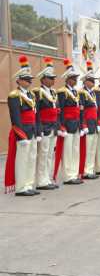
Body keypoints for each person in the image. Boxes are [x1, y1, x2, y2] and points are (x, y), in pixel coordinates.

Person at [5, 55, 40, 195]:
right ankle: (21, 187)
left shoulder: (31, 95)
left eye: (30, 79)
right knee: (22, 160)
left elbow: (35, 115)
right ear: (18, 80)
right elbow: (15, 117)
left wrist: (37, 132)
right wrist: (21, 135)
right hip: (23, 131)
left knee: (31, 158)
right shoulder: (14, 95)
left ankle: (29, 184)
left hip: (32, 129)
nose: (29, 82)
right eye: (26, 80)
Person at [54, 58, 83, 185]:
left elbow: (80, 109)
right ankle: (68, 176)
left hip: (76, 123)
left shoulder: (76, 92)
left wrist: (81, 124)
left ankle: (74, 173)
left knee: (75, 150)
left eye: (76, 78)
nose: (75, 80)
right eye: (73, 78)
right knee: (67, 151)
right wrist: (61, 126)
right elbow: (60, 110)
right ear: (67, 79)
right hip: (67, 124)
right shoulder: (62, 92)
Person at [34, 57, 59, 190]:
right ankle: (40, 181)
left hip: (53, 127)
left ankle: (47, 178)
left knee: (50, 154)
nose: (53, 80)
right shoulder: (38, 92)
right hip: (44, 127)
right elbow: (37, 113)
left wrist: (58, 127)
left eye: (53, 78)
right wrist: (39, 129)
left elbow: (57, 111)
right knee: (42, 154)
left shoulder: (54, 92)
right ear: (43, 79)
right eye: (50, 78)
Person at [78, 60, 100, 180]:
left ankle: (90, 169)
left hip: (94, 123)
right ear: (85, 81)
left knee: (92, 148)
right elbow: (81, 110)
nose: (93, 82)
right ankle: (86, 171)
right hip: (87, 123)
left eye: (93, 80)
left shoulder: (93, 93)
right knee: (87, 149)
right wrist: (83, 125)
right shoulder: (82, 93)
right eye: (91, 80)